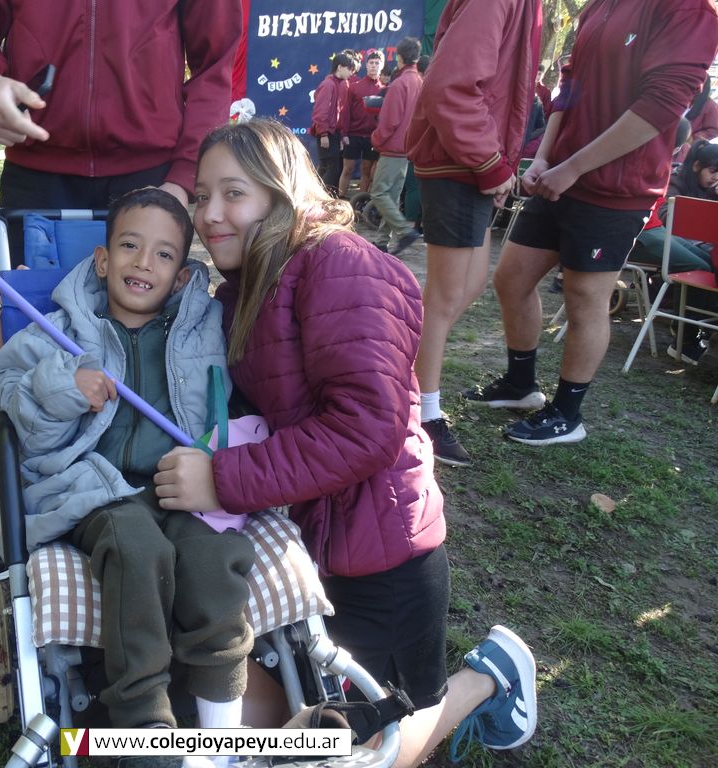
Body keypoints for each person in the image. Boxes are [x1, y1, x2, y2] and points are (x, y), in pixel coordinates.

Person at [154, 120, 538, 767]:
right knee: (262, 735)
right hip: (315, 548)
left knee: (359, 749)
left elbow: (366, 428)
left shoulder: (339, 265)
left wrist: (222, 479)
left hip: (384, 556)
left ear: (282, 192)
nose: (209, 214)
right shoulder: (248, 285)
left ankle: (490, 675)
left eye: (232, 193)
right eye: (201, 196)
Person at [0, 188, 254, 738]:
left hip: (184, 484)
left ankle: (222, 735)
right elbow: (14, 402)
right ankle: (143, 726)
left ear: (180, 278)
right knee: (136, 549)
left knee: (212, 558)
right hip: (96, 490)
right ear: (102, 260)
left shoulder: (207, 327)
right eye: (130, 246)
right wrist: (64, 387)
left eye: (164, 254)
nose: (144, 262)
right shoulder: (58, 331)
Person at [465, 0, 718, 446]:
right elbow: (569, 84)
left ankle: (567, 414)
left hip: (617, 188)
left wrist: (574, 166)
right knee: (511, 278)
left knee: (585, 297)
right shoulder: (600, 4)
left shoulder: (689, 10)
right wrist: (545, 157)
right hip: (561, 174)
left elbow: (662, 105)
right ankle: (521, 385)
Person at [0, 0, 241, 214]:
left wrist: (182, 180)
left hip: (153, 179)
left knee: (149, 294)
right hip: (35, 174)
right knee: (26, 292)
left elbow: (215, 62)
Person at [404, 0, 542, 466]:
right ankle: (421, 413)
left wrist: (495, 162)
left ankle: (396, 373)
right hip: (459, 161)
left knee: (469, 285)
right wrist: (491, 163)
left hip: (467, 159)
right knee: (444, 297)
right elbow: (451, 86)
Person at [631, 139, 718, 364]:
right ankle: (684, 336)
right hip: (642, 232)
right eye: (713, 171)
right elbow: (668, 216)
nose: (716, 177)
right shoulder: (675, 180)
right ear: (696, 166)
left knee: (709, 262)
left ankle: (693, 327)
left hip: (655, 230)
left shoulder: (703, 187)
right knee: (700, 266)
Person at [369, 37, 423, 255]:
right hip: (407, 149)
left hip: (393, 148)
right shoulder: (419, 82)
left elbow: (389, 121)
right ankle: (383, 240)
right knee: (391, 195)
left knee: (379, 193)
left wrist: (376, 139)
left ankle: (404, 231)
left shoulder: (399, 84)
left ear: (399, 58)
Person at [341, 51, 385, 200]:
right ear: (366, 65)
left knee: (366, 171)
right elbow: (346, 111)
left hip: (371, 137)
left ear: (382, 66)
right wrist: (344, 134)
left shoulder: (384, 90)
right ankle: (340, 199)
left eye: (377, 63)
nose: (374, 66)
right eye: (371, 63)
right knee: (348, 168)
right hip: (353, 134)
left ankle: (360, 202)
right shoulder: (354, 87)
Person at [311, 52, 354, 196]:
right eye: (349, 69)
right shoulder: (328, 85)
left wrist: (340, 135)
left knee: (326, 166)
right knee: (332, 168)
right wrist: (323, 133)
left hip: (333, 133)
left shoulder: (338, 84)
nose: (351, 73)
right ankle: (322, 198)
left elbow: (338, 113)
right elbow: (320, 112)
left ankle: (316, 196)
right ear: (340, 67)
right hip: (326, 133)